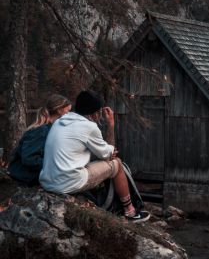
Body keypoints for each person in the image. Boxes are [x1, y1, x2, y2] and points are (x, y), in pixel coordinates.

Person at [39, 90, 150, 223]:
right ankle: (130, 212)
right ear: (95, 113)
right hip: (67, 182)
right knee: (117, 164)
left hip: (47, 181)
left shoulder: (60, 121)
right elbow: (109, 155)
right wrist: (111, 124)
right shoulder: (89, 126)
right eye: (99, 112)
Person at [9, 94, 72, 185]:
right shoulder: (40, 131)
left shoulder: (52, 129)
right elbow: (29, 159)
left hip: (36, 174)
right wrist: (56, 165)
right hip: (25, 176)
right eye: (68, 111)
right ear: (59, 110)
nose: (69, 114)